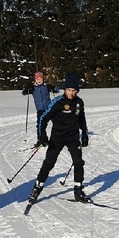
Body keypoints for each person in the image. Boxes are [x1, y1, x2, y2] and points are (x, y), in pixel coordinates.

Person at [28, 72, 89, 204]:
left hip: (73, 137)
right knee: (49, 163)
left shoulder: (79, 102)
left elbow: (82, 118)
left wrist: (84, 133)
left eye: (74, 90)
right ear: (64, 90)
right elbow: (43, 119)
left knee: (78, 162)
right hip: (58, 137)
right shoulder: (58, 102)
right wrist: (42, 136)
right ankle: (37, 188)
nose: (71, 93)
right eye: (69, 90)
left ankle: (78, 190)